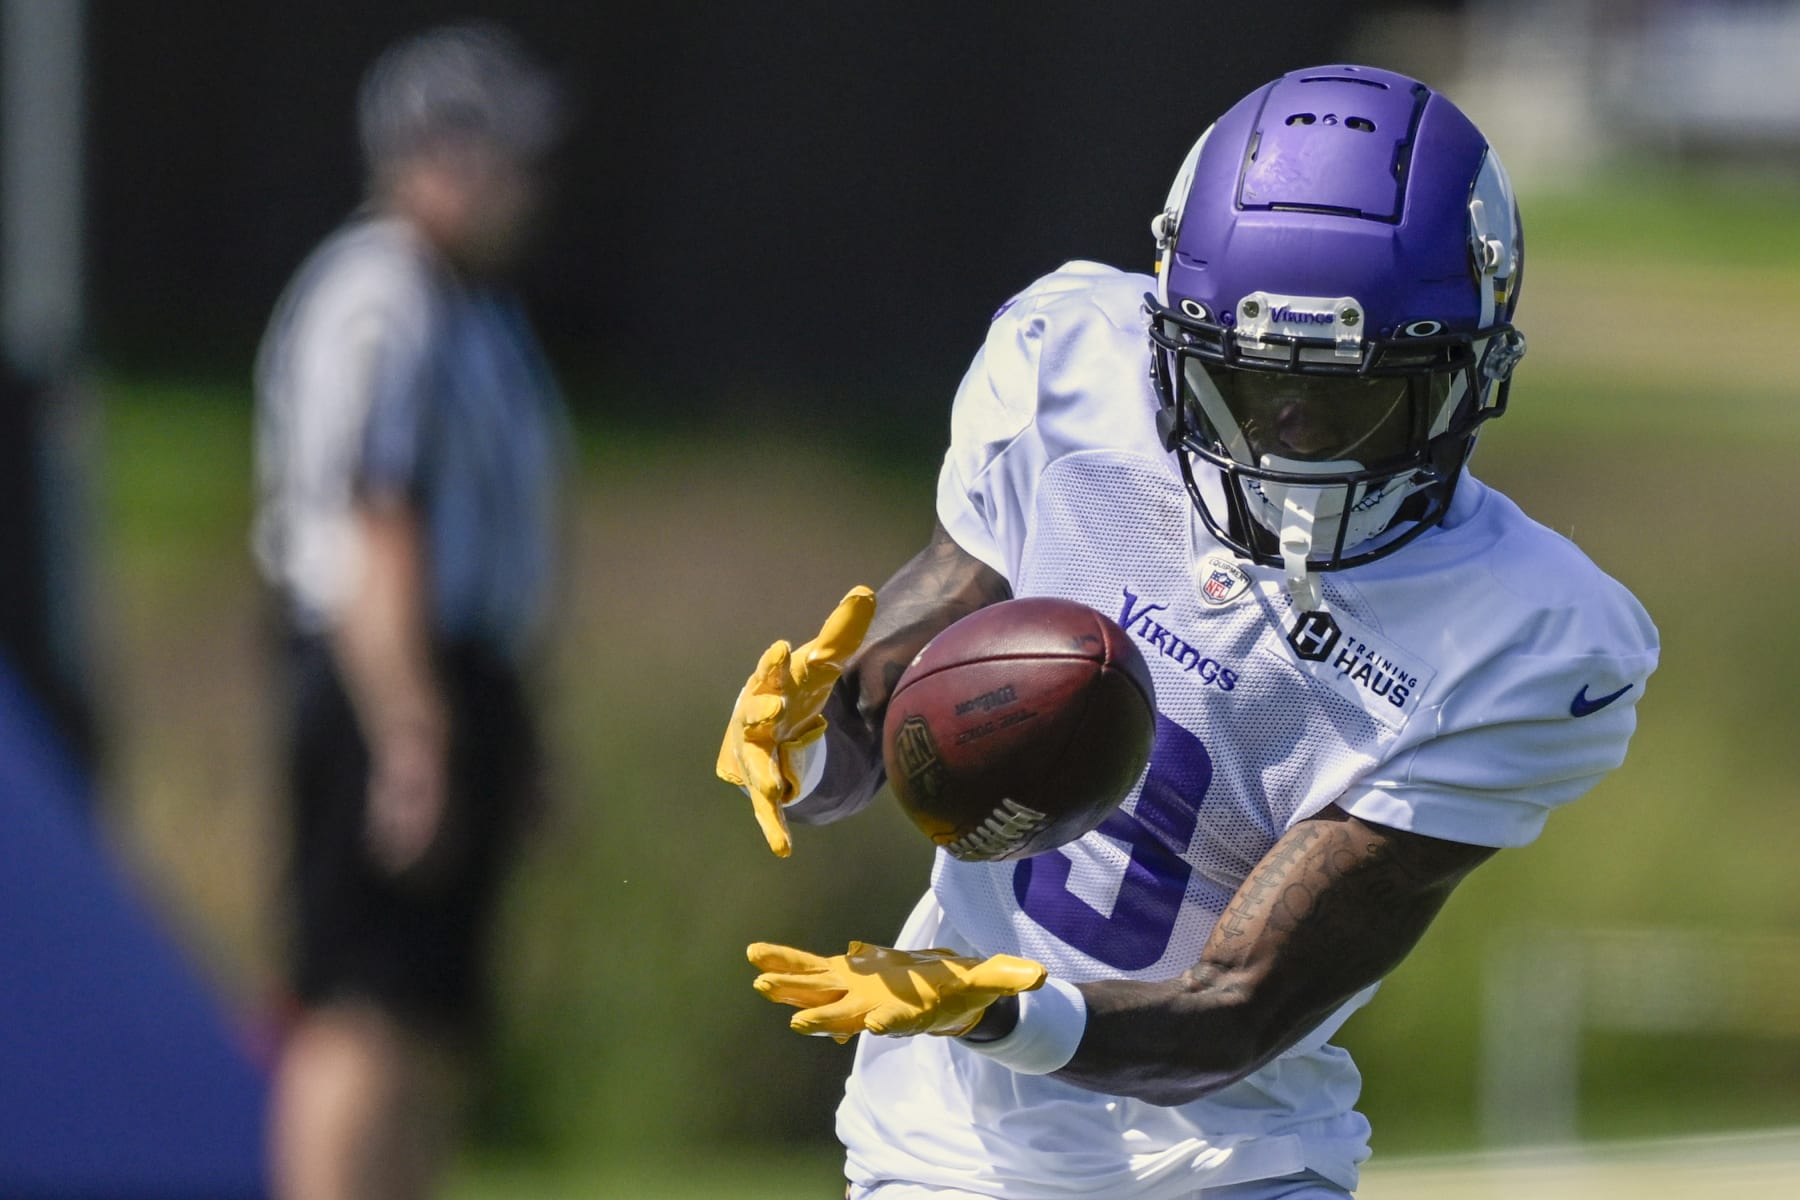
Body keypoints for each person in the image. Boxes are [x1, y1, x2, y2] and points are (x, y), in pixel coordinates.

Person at [718, 64, 1658, 1199]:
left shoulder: (1523, 639)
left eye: (1355, 399)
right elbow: (891, 735)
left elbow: (1235, 1014)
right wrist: (803, 747)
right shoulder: (1071, 369)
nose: (1293, 445)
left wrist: (998, 1011)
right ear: (1170, 342)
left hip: (1235, 1161)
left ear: (1471, 374)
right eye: (1248, 389)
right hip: (950, 1150)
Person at [251, 22, 568, 1200]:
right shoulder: (380, 295)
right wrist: (410, 727)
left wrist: (516, 728)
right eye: (504, 156)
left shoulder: (474, 309)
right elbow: (377, 515)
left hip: (459, 672)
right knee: (360, 1001)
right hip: (384, 669)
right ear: (437, 155)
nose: (526, 185)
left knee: (430, 1017)